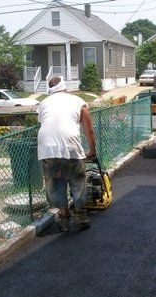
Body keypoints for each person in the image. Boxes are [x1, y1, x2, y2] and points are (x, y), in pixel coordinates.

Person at [37, 77, 96, 232]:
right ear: (65, 87)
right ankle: (79, 216)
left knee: (57, 183)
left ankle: (63, 219)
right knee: (77, 181)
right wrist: (92, 150)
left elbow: (45, 124)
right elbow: (88, 129)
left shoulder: (43, 103)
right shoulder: (78, 101)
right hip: (71, 147)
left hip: (47, 149)